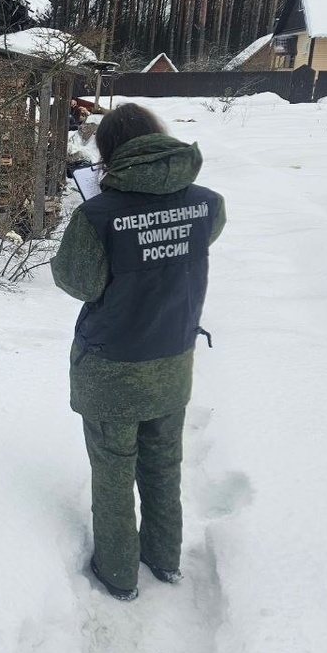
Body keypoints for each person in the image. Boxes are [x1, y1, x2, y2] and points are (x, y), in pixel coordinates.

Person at [50, 104, 226, 601]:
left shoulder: (96, 215)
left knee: (112, 473)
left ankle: (118, 573)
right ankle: (164, 559)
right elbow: (192, 243)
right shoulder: (208, 203)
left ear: (108, 153)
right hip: (172, 363)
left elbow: (78, 281)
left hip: (112, 370)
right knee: (163, 464)